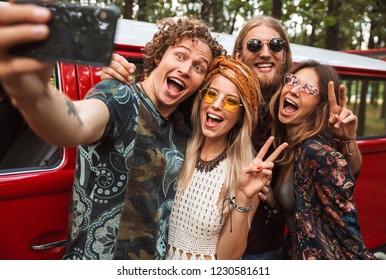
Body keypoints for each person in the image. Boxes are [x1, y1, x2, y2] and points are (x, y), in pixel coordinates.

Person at [100, 15, 364, 260]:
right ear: (238, 54)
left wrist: (346, 140)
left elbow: (342, 175)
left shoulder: (289, 115)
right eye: (253, 44)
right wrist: (115, 80)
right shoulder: (203, 101)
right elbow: (156, 102)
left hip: (263, 251)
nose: (265, 52)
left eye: (275, 45)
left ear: (284, 57)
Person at [0, 3, 224, 259]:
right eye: (180, 55)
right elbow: (73, 124)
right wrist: (34, 92)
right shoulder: (118, 97)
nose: (185, 69)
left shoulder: (183, 127)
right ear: (159, 56)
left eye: (199, 67)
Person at [164, 55, 287, 260]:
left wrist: (243, 197)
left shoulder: (247, 173)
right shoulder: (176, 149)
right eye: (211, 94)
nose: (216, 105)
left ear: (241, 116)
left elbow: (227, 259)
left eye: (230, 101)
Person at [267, 59, 376, 259]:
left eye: (308, 88)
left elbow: (349, 237)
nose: (293, 90)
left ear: (320, 104)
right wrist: (271, 199)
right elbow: (298, 217)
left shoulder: (317, 153)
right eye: (292, 80)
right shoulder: (289, 148)